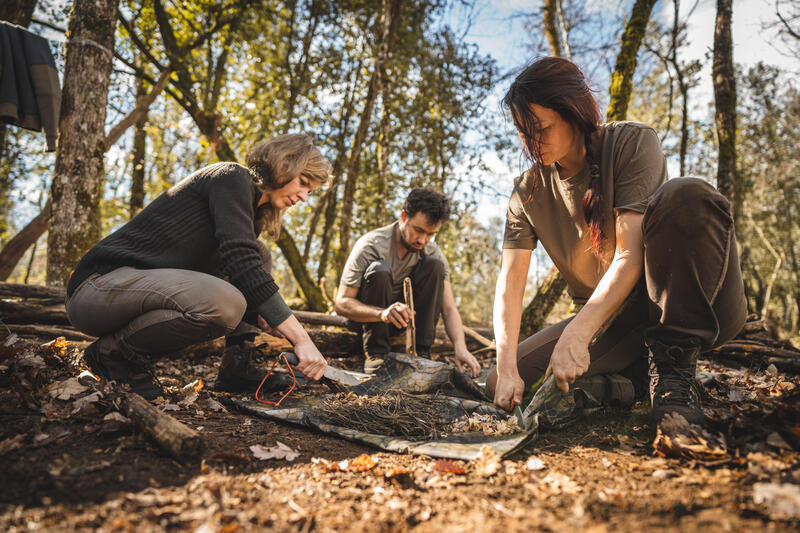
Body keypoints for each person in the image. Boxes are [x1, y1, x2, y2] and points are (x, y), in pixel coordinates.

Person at [489, 57, 746, 431]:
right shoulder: (526, 193)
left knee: (686, 194)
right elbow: (510, 282)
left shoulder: (631, 143)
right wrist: (506, 366)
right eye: (522, 131)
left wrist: (577, 333)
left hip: (689, 304)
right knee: (501, 382)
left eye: (541, 129)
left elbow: (628, 255)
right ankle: (631, 383)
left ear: (573, 112)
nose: (531, 143)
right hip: (614, 325)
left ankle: (674, 368)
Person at [65, 134, 332, 399]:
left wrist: (265, 316)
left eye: (311, 191)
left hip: (134, 293)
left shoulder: (253, 217)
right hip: (97, 288)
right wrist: (302, 339)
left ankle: (236, 368)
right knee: (227, 302)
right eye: (304, 183)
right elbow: (242, 264)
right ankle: (111, 355)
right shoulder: (231, 177)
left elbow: (238, 271)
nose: (304, 196)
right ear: (284, 165)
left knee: (258, 255)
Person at [334, 188, 481, 376]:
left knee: (436, 266)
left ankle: (421, 353)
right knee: (380, 269)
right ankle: (376, 355)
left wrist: (460, 348)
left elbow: (449, 308)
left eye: (431, 234)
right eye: (418, 230)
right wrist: (382, 314)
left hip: (402, 323)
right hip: (368, 319)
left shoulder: (432, 251)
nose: (422, 240)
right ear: (404, 216)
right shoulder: (371, 245)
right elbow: (342, 303)